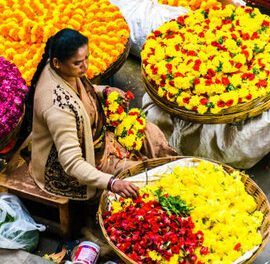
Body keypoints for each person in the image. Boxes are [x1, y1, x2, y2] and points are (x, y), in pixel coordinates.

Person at [23, 28, 176, 201]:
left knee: (151, 133)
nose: (85, 66)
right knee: (142, 178)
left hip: (98, 137)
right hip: (79, 165)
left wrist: (105, 92)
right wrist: (113, 183)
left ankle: (177, 169)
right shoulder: (58, 109)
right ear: (58, 63)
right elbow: (72, 163)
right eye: (78, 63)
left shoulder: (64, 70)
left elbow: (84, 90)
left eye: (87, 58)